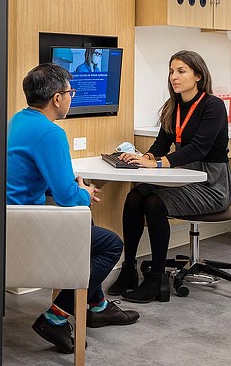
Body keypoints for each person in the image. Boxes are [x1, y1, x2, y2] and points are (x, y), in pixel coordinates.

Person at [8, 63, 139, 354]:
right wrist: (85, 192)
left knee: (86, 227)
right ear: (57, 98)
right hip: (27, 227)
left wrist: (73, 189)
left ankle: (98, 305)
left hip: (10, 220)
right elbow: (67, 198)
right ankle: (55, 317)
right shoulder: (50, 133)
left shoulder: (19, 120)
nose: (72, 97)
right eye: (71, 92)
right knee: (110, 245)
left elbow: (41, 179)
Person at [107, 50, 231, 303]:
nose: (174, 77)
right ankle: (128, 268)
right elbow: (161, 144)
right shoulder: (172, 107)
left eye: (181, 71)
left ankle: (157, 278)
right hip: (184, 177)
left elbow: (199, 148)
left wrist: (158, 164)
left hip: (210, 184)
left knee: (154, 202)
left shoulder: (213, 106)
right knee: (134, 196)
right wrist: (145, 158)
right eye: (172, 71)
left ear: (198, 75)